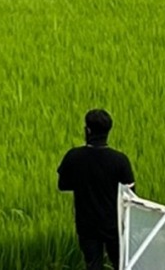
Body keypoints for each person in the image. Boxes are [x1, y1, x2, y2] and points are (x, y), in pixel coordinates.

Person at [58, 109, 135, 270]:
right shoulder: (120, 160)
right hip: (114, 223)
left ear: (87, 130)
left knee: (93, 265)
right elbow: (131, 194)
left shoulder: (73, 156)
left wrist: (84, 183)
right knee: (121, 264)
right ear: (108, 131)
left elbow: (63, 185)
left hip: (86, 224)